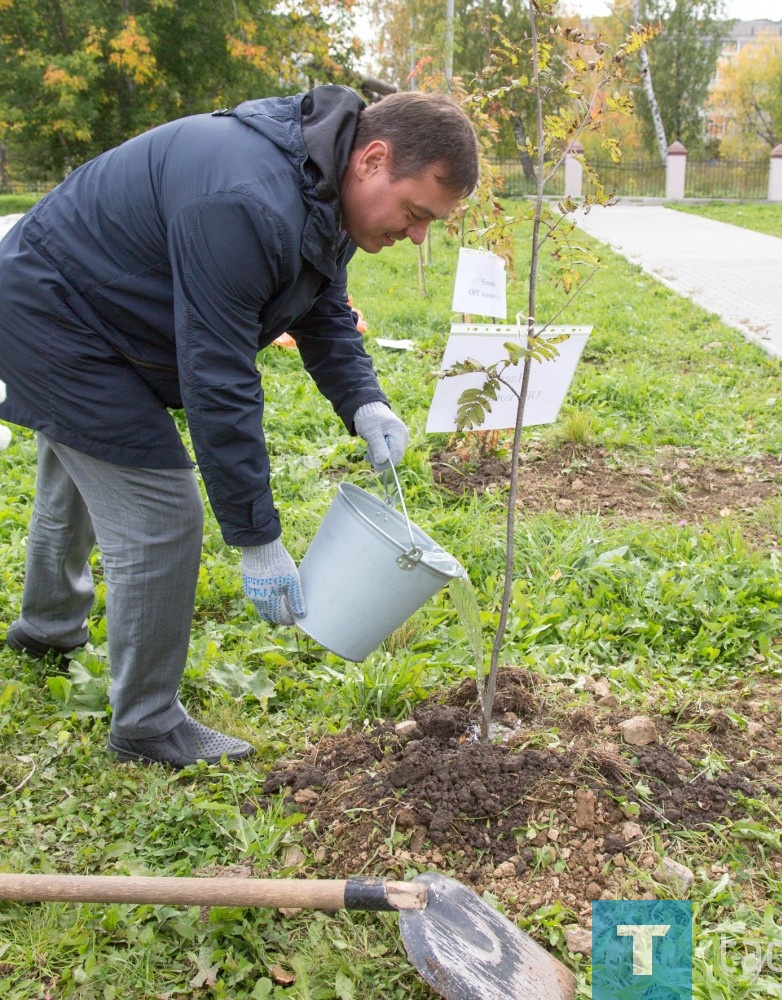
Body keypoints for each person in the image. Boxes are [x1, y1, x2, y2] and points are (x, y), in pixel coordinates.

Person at [0, 85, 478, 768]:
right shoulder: (246, 200)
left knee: (80, 462)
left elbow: (322, 309)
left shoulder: (320, 184)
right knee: (161, 509)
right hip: (54, 316)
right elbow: (218, 378)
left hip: (99, 305)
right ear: (372, 159)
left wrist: (364, 401)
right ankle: (146, 725)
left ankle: (45, 631)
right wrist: (257, 539)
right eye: (416, 212)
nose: (419, 234)